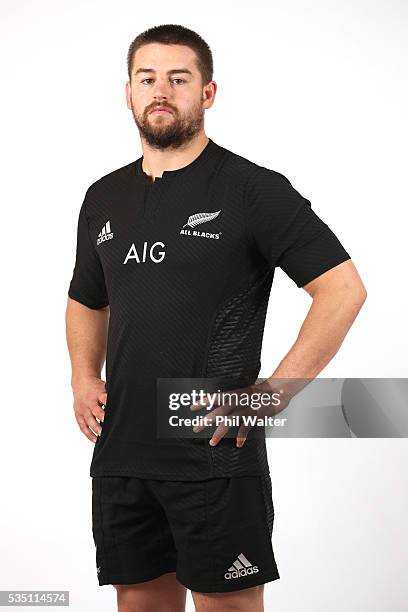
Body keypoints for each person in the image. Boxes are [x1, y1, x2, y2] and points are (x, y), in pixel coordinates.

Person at [65, 24, 367, 612]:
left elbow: (343, 290)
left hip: (213, 449)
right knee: (141, 602)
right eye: (147, 78)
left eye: (179, 79)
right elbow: (86, 297)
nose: (161, 90)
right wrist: (82, 375)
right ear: (127, 92)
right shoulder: (102, 197)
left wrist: (274, 393)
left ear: (207, 93)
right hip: (123, 449)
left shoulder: (253, 190)